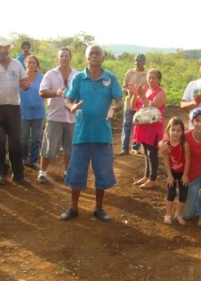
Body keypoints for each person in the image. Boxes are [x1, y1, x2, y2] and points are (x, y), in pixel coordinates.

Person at [60, 45, 123, 222]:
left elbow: (120, 102)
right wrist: (70, 107)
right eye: (91, 54)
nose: (94, 56)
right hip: (81, 134)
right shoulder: (79, 78)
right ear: (86, 58)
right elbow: (67, 99)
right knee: (76, 172)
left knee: (102, 173)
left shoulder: (111, 78)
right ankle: (73, 207)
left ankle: (99, 208)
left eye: (97, 54)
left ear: (103, 58)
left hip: (102, 135)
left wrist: (115, 107)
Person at [0, 36, 31, 186]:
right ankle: (1, 172)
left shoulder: (17, 64)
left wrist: (25, 85)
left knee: (16, 142)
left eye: (5, 47)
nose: (2, 50)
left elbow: (24, 81)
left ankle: (18, 174)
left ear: (9, 47)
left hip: (14, 107)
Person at [37, 47, 77, 183]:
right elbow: (42, 92)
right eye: (62, 56)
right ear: (57, 59)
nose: (64, 58)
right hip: (55, 116)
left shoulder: (77, 75)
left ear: (70, 58)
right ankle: (42, 172)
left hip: (72, 117)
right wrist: (55, 93)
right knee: (48, 147)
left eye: (67, 56)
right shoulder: (50, 74)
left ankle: (67, 172)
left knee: (70, 149)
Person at [128, 68, 166, 188]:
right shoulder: (145, 90)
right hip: (143, 126)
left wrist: (142, 96)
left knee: (152, 152)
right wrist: (135, 94)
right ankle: (147, 175)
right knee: (146, 151)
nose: (150, 80)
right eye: (149, 77)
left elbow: (153, 108)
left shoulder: (161, 92)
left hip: (153, 127)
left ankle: (152, 179)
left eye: (154, 78)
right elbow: (133, 105)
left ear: (159, 79)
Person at [19, 55, 46, 170]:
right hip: (23, 111)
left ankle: (34, 160)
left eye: (33, 63)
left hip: (38, 111)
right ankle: (24, 157)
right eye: (29, 62)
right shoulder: (20, 77)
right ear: (25, 64)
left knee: (36, 138)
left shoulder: (42, 78)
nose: (31, 65)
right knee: (24, 137)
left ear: (37, 65)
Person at [162, 117, 190, 225]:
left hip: (183, 173)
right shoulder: (166, 145)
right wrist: (169, 175)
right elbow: (166, 161)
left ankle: (178, 214)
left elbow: (187, 161)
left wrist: (185, 175)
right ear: (168, 130)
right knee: (171, 193)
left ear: (182, 132)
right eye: (173, 129)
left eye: (178, 130)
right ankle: (168, 214)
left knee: (183, 194)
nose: (175, 133)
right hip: (172, 173)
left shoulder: (185, 145)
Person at [119, 54, 148, 155]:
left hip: (140, 105)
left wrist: (142, 94)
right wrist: (128, 91)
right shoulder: (130, 73)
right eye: (135, 60)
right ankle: (124, 148)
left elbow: (150, 89)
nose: (137, 62)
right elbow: (124, 87)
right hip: (129, 103)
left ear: (144, 62)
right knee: (126, 124)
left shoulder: (147, 74)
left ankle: (136, 147)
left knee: (139, 126)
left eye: (139, 61)